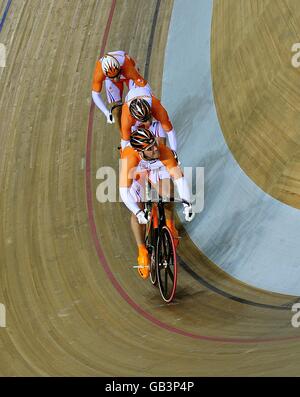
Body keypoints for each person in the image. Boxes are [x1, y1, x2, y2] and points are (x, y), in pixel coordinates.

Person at [119, 128, 195, 279]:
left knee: (167, 195)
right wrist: (139, 213)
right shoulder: (129, 158)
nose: (155, 148)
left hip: (155, 168)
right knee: (137, 210)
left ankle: (169, 225)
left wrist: (188, 203)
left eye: (154, 143)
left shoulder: (163, 152)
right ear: (141, 153)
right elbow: (124, 193)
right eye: (150, 148)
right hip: (136, 173)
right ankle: (142, 251)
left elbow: (180, 180)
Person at [92, 51, 149, 130]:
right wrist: (106, 113)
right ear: (105, 74)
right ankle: (125, 138)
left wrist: (149, 98)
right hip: (112, 80)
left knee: (138, 100)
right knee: (116, 111)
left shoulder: (126, 63)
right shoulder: (99, 72)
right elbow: (95, 94)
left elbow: (144, 85)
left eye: (117, 74)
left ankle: (145, 125)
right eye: (113, 77)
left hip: (127, 74)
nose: (116, 79)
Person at [120, 85, 178, 152]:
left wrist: (174, 153)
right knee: (135, 145)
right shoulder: (126, 118)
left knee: (160, 145)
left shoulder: (156, 107)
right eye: (144, 120)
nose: (147, 122)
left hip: (144, 92)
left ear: (150, 111)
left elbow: (170, 131)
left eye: (148, 118)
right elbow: (125, 143)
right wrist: (124, 160)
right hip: (133, 121)